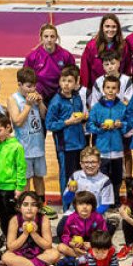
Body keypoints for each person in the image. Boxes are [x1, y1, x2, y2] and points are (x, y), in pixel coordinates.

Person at [45, 66, 87, 196]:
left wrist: (83, 118)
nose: (66, 84)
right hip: (66, 146)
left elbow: (80, 115)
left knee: (80, 175)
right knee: (67, 176)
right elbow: (49, 124)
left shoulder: (77, 97)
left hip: (80, 143)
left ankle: (79, 202)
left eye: (69, 81)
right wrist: (67, 122)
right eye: (63, 80)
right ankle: (66, 206)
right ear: (59, 82)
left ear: (76, 83)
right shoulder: (56, 101)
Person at [0, 192, 61, 266]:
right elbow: (11, 247)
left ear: (38, 207)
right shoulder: (14, 220)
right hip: (20, 253)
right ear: (19, 207)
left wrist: (34, 233)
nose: (29, 208)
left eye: (33, 205)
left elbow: (48, 245)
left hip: (39, 253)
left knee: (55, 254)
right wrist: (25, 234)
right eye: (25, 205)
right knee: (5, 256)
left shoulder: (44, 219)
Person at [9, 68, 47, 201]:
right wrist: (28, 105)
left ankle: (41, 205)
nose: (32, 89)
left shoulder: (35, 95)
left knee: (39, 177)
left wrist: (41, 103)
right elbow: (17, 121)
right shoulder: (13, 99)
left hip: (38, 145)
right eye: (28, 86)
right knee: (25, 179)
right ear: (19, 84)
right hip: (24, 149)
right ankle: (25, 206)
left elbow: (44, 116)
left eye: (34, 86)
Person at [0, 114, 26, 230]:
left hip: (9, 188)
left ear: (8, 127)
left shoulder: (17, 147)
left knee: (12, 216)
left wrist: (20, 187)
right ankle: (6, 237)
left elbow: (21, 168)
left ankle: (14, 238)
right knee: (1, 214)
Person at [25, 22, 76, 102]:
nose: (49, 40)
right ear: (41, 38)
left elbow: (73, 75)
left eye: (52, 36)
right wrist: (32, 92)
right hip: (39, 93)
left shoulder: (66, 56)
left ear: (56, 38)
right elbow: (26, 77)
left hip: (61, 92)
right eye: (46, 36)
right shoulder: (32, 57)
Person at [80, 14, 127, 89]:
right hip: (96, 90)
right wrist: (84, 89)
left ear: (118, 28)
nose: (110, 29)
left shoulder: (123, 46)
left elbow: (126, 69)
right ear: (102, 27)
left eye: (114, 27)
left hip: (116, 90)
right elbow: (85, 69)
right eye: (107, 26)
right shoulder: (91, 46)